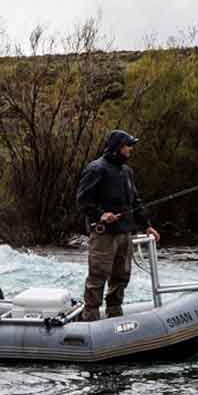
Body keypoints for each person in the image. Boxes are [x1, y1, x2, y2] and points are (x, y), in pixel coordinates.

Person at [75, 130, 160, 321]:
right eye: (127, 145)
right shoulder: (96, 169)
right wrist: (101, 214)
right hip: (103, 234)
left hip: (125, 233)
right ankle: (91, 315)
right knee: (98, 276)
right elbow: (82, 200)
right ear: (116, 148)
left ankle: (114, 312)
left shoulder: (127, 171)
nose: (130, 149)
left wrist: (147, 225)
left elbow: (135, 202)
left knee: (121, 276)